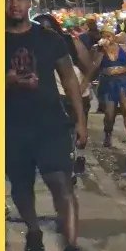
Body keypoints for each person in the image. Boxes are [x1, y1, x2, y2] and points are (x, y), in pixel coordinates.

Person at [5, 0, 92, 251]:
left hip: (50, 124)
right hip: (10, 128)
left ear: (30, 3)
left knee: (61, 183)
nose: (13, 4)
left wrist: (80, 121)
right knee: (20, 186)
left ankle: (71, 246)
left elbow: (69, 79)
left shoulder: (49, 38)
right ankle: (33, 230)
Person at [34, 13, 93, 180]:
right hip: (53, 95)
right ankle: (69, 165)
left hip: (78, 93)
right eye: (41, 30)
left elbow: (88, 68)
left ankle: (73, 161)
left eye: (49, 29)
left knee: (75, 131)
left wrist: (81, 88)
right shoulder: (34, 46)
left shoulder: (70, 42)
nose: (45, 33)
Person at [84, 20, 126, 152]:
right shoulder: (96, 49)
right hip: (107, 83)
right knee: (109, 114)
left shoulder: (124, 48)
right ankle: (108, 133)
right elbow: (94, 66)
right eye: (104, 36)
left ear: (114, 36)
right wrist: (101, 52)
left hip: (124, 82)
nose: (106, 39)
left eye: (109, 36)